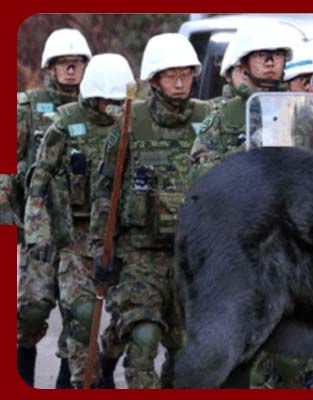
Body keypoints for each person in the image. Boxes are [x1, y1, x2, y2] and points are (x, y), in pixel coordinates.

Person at [89, 33, 210, 389]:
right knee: (143, 337)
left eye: (185, 75)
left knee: (184, 346)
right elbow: (105, 189)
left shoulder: (209, 120)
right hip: (140, 252)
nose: (179, 83)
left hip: (192, 254)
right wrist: (101, 247)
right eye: (171, 75)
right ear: (154, 80)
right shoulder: (130, 121)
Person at [23, 53, 134, 388]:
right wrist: (37, 234)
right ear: (93, 96)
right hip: (75, 236)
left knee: (134, 319)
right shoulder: (64, 124)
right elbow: (38, 183)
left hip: (123, 236)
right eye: (107, 102)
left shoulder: (135, 124)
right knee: (81, 317)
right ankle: (79, 383)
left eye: (120, 102)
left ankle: (105, 370)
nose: (114, 109)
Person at [15, 28, 92, 388]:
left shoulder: (97, 107)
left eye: (76, 64)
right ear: (49, 67)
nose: (71, 71)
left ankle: (65, 385)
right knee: (32, 311)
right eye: (64, 64)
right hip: (40, 226)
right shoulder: (28, 108)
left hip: (81, 228)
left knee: (78, 314)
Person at [190, 23, 302, 175]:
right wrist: (252, 145)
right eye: (261, 55)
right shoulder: (222, 117)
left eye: (277, 55)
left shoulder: (304, 112)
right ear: (244, 64)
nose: (270, 63)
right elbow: (199, 176)